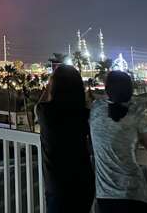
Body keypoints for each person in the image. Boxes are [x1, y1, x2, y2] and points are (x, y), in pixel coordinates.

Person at [89, 71, 147, 213]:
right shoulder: (135, 112)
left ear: (107, 89)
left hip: (104, 197)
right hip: (133, 195)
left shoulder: (96, 109)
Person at [35, 65, 95, 213]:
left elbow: (38, 106)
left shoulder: (46, 112)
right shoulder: (84, 114)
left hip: (58, 186)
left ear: (53, 86)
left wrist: (49, 85)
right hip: (84, 183)